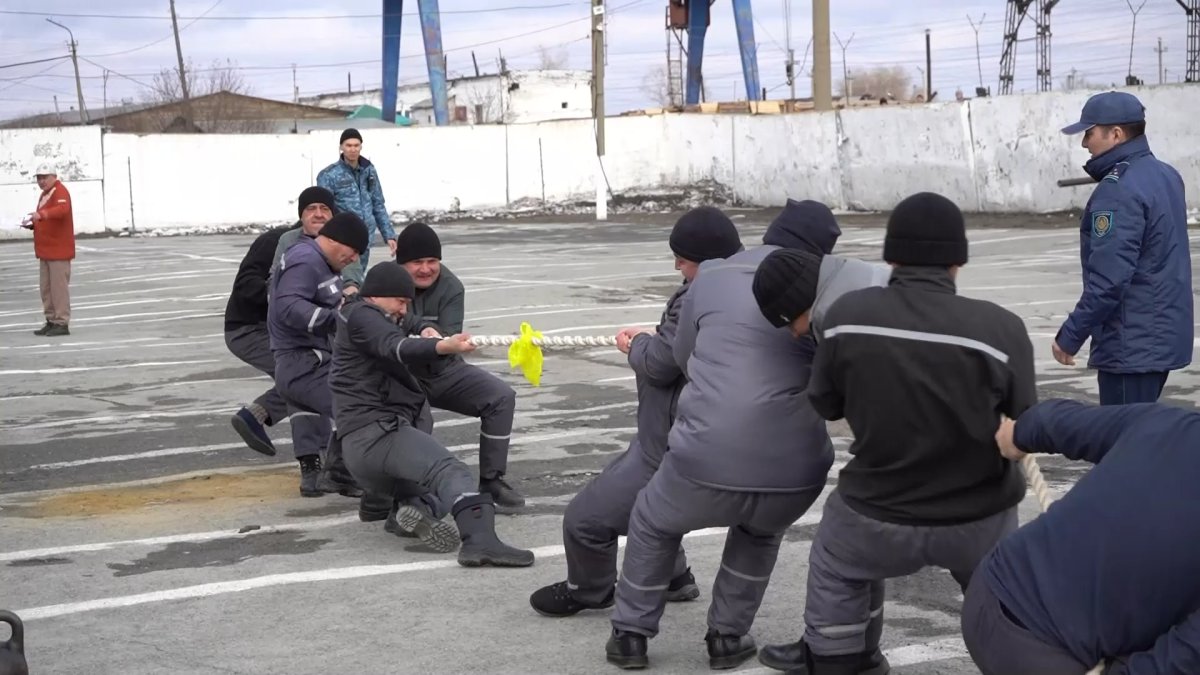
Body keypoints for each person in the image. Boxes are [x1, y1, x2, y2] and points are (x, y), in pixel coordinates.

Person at [756, 193, 1037, 675]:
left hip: (876, 513)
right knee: (1004, 605)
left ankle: (845, 657)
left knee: (836, 564)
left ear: (890, 257)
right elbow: (1025, 421)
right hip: (978, 517)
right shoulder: (1002, 329)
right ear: (958, 260)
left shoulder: (845, 317)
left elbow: (825, 402)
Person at [604, 201, 842, 671]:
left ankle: (631, 635)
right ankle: (727, 637)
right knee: (760, 531)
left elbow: (677, 360)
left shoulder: (712, 277)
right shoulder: (828, 293)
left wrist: (642, 347)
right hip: (796, 471)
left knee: (653, 519)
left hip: (707, 458)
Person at [528, 206, 744, 618]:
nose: (677, 264)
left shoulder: (700, 296)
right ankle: (675, 577)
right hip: (709, 439)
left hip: (670, 443)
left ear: (709, 259)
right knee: (656, 503)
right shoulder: (749, 290)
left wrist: (637, 345)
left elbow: (662, 364)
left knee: (585, 519)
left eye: (683, 257)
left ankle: (589, 589)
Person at [967, 399, 1200, 675]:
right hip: (1046, 652)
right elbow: (1185, 656)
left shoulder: (1170, 423)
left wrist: (1017, 434)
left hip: (988, 588)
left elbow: (1057, 421)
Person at [330, 263, 535, 568]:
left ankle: (395, 509)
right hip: (377, 434)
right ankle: (480, 542)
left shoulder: (361, 313)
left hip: (359, 451)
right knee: (453, 473)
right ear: (378, 296)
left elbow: (403, 325)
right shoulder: (363, 316)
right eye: (401, 301)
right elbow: (393, 345)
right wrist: (441, 345)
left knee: (435, 494)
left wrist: (423, 327)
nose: (404, 309)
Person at [1055, 90, 1192, 405]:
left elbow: (1110, 278)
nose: (1084, 143)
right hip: (1160, 338)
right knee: (1142, 441)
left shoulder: (1118, 190)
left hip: (1132, 345)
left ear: (1115, 134)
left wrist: (1071, 335)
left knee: (1124, 445)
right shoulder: (1167, 176)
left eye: (1089, 133)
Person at [390, 222, 524, 508]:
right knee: (418, 419)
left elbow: (446, 343)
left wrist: (432, 338)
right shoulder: (383, 282)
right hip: (398, 374)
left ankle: (491, 480)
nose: (425, 269)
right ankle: (405, 498)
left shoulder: (451, 287)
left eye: (432, 261)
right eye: (416, 262)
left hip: (442, 369)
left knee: (501, 397)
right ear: (401, 264)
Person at [267, 211, 368, 498]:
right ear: (337, 240)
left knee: (357, 402)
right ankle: (340, 472)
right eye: (353, 251)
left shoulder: (319, 261)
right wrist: (336, 320)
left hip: (313, 358)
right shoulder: (307, 259)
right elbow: (287, 307)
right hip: (301, 361)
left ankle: (338, 472)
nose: (354, 259)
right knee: (357, 406)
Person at [226, 187, 332, 457]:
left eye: (326, 210)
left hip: (287, 331)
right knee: (304, 375)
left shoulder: (327, 250)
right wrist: (285, 297)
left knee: (312, 374)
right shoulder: (275, 242)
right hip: (249, 329)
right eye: (312, 209)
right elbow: (245, 285)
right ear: (301, 214)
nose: (319, 215)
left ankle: (256, 415)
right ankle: (315, 457)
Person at [317, 128, 396, 271]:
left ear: (361, 147)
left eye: (356, 145)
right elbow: (325, 210)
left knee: (359, 274)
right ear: (341, 147)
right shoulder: (329, 175)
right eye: (348, 145)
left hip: (365, 236)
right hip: (343, 238)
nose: (352, 149)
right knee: (345, 276)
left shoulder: (369, 170)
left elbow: (377, 203)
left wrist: (389, 235)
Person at [23, 163, 74, 337]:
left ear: (54, 176)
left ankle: (61, 322)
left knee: (58, 288)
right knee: (46, 288)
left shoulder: (60, 192)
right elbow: (48, 218)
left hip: (58, 251)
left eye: (45, 177)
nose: (41, 181)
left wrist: (42, 215)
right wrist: (33, 223)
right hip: (46, 251)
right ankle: (51, 320)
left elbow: (62, 210)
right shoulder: (45, 195)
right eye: (39, 178)